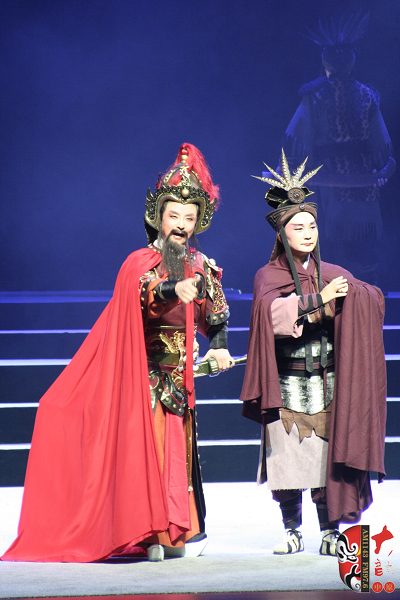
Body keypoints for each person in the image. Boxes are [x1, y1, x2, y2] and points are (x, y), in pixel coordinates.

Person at [2, 143, 233, 563]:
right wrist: (174, 288)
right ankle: (148, 533)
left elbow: (214, 316)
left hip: (181, 382)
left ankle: (174, 534)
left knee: (176, 459)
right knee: (149, 455)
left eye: (189, 218)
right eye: (174, 216)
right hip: (143, 379)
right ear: (158, 217)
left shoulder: (203, 265)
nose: (181, 226)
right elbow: (145, 294)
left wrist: (218, 349)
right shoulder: (139, 262)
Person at [240, 150, 386, 556]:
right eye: (298, 227)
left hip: (327, 380)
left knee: (325, 460)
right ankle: (292, 529)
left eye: (312, 226)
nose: (307, 234)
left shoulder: (333, 273)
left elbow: (373, 299)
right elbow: (273, 316)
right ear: (282, 234)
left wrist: (354, 297)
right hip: (287, 381)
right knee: (288, 460)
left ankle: (329, 531)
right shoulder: (268, 276)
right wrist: (320, 300)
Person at [281, 12, 395, 285]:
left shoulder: (316, 95)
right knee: (362, 250)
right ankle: (365, 292)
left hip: (329, 181)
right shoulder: (367, 94)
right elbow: (382, 146)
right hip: (361, 182)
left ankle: (342, 296)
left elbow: (295, 137)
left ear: (326, 63)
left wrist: (294, 168)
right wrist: (379, 170)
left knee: (332, 247)